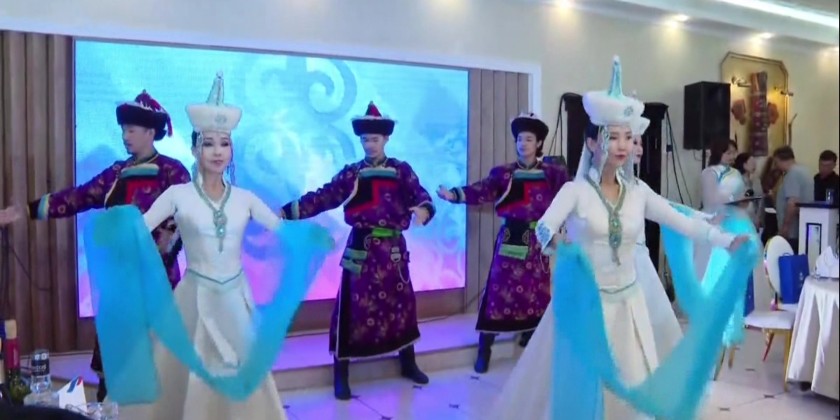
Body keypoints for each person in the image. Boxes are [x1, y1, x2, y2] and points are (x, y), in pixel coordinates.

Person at [490, 56, 753, 420]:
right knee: (580, 387)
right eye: (612, 137)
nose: (622, 145)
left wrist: (724, 239)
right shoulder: (575, 191)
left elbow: (681, 220)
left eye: (628, 137)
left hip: (628, 306)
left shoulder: (638, 191)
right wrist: (560, 246)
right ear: (592, 142)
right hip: (585, 306)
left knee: (630, 383)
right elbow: (544, 228)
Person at [88, 72, 332, 420]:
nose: (218, 151)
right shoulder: (178, 195)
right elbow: (139, 229)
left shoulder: (245, 199)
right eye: (209, 143)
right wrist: (114, 226)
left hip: (235, 301)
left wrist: (311, 237)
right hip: (193, 298)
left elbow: (282, 231)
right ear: (194, 149)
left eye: (225, 143)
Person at [0, 90, 190, 402]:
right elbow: (79, 196)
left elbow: (181, 223)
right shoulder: (117, 173)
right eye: (123, 130)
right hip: (119, 281)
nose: (125, 136)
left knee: (159, 363)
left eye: (132, 130)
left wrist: (152, 257)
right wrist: (25, 210)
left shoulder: (173, 172)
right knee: (116, 362)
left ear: (150, 132)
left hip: (157, 282)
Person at [279, 101, 436, 400]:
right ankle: (341, 372)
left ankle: (408, 362)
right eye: (365, 140)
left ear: (385, 139)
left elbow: (421, 196)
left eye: (374, 139)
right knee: (351, 310)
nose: (369, 145)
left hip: (393, 251)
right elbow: (324, 197)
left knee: (402, 306)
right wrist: (286, 211)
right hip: (361, 250)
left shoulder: (401, 170)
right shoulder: (352, 174)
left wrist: (423, 209)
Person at [437, 113, 568, 373]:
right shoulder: (504, 173)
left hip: (538, 242)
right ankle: (485, 348)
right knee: (498, 294)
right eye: (519, 139)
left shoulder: (553, 173)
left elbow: (568, 200)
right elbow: (482, 190)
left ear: (539, 143)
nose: (523, 144)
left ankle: (531, 341)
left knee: (537, 294)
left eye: (528, 139)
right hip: (510, 240)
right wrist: (453, 194)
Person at [773, 146, 814, 250]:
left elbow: (792, 202)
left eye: (776, 162)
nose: (776, 166)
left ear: (780, 160)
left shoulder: (792, 174)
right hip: (803, 226)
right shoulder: (804, 170)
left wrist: (785, 227)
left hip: (792, 231)